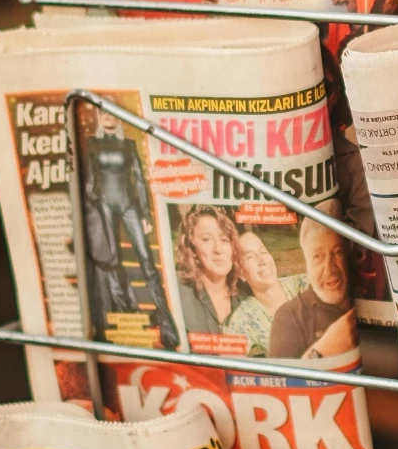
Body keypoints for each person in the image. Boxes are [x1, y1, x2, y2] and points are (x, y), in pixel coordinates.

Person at [78, 101, 178, 348]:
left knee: (146, 260)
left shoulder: (129, 145)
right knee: (112, 260)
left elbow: (140, 181)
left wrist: (145, 215)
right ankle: (125, 313)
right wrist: (92, 213)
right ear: (99, 118)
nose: (108, 116)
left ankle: (166, 320)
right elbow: (89, 180)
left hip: (129, 204)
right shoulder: (91, 144)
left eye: (112, 112)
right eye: (103, 112)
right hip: (104, 207)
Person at [268, 219, 357, 359]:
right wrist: (325, 349)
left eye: (338, 252)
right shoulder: (289, 318)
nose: (329, 270)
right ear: (307, 263)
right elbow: (281, 380)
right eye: (317, 257)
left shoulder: (365, 291)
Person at [225, 227, 304, 354]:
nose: (262, 261)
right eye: (250, 257)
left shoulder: (303, 285)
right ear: (241, 273)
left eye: (263, 252)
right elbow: (229, 362)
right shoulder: (246, 317)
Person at [176, 204, 244, 339]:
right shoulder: (177, 293)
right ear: (192, 248)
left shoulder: (245, 295)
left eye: (224, 240)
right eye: (206, 239)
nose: (218, 249)